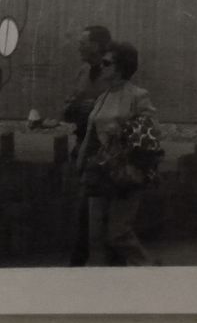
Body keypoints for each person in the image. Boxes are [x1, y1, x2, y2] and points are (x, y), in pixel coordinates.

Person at [77, 42, 159, 266]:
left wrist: (123, 133)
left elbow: (150, 131)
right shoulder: (103, 96)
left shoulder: (138, 95)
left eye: (106, 63)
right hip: (100, 169)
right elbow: (91, 135)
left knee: (118, 233)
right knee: (95, 234)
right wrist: (80, 164)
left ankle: (148, 269)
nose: (101, 67)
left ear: (120, 67)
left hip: (126, 171)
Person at [62, 24, 112, 265]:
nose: (79, 46)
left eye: (84, 42)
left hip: (105, 150)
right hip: (82, 145)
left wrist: (90, 108)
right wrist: (73, 108)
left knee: (96, 213)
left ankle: (79, 265)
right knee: (82, 211)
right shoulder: (82, 72)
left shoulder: (112, 73)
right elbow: (69, 107)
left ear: (99, 46)